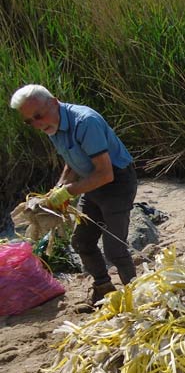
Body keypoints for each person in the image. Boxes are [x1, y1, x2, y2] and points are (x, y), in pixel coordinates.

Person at [10, 84, 138, 309]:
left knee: (115, 248)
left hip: (116, 183)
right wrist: (58, 188)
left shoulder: (85, 121)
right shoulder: (52, 126)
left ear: (54, 102)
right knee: (81, 241)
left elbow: (105, 174)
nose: (37, 124)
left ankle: (136, 296)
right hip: (92, 182)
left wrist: (68, 192)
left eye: (38, 115)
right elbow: (73, 160)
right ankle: (103, 288)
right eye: (29, 121)